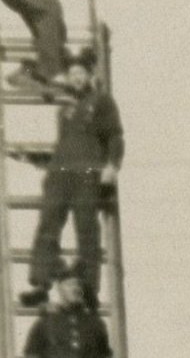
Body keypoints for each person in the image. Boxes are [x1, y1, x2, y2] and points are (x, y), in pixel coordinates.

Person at [18, 48, 125, 307]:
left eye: (81, 73)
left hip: (87, 175)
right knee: (48, 227)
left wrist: (112, 166)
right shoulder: (64, 108)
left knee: (87, 229)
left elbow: (115, 136)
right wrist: (38, 160)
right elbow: (64, 145)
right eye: (73, 73)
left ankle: (88, 288)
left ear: (89, 75)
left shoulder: (102, 101)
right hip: (59, 175)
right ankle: (41, 283)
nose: (76, 78)